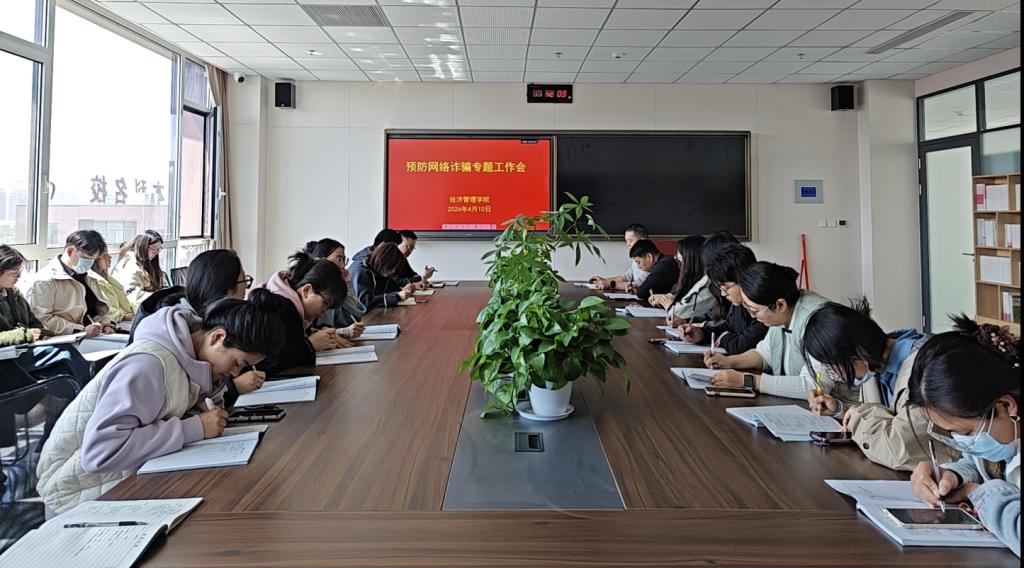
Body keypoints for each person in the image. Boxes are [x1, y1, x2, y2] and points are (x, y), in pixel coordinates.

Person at [35, 290, 285, 514]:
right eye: (238, 363)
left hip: (129, 483)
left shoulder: (191, 364)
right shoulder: (149, 365)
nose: (234, 373)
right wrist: (194, 428)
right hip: (76, 498)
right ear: (217, 337)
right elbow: (100, 453)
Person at [908, 315, 1019, 557]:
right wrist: (951, 476)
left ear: (1006, 406)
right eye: (953, 434)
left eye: (967, 433)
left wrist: (977, 493)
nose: (963, 442)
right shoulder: (1006, 437)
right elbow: (980, 464)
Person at [801, 302, 950, 471]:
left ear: (857, 354)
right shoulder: (875, 365)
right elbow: (888, 416)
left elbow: (902, 448)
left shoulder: (924, 368)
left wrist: (858, 417)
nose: (834, 373)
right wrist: (839, 409)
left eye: (833, 366)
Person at [130, 249, 264, 405]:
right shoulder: (174, 331)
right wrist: (233, 387)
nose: (246, 289)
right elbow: (177, 398)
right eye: (244, 281)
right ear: (227, 288)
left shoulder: (196, 320)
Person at [704, 261, 831, 400]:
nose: (754, 317)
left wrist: (748, 381)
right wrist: (728, 361)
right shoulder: (782, 315)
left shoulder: (817, 320)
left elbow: (814, 386)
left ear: (780, 305)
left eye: (754, 311)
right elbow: (764, 354)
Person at [0, 245, 91, 390]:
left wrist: (42, 334)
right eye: (14, 274)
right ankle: (91, 392)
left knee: (62, 366)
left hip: (22, 348)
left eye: (19, 273)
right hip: (7, 356)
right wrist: (25, 335)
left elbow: (33, 321)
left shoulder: (14, 295)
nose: (18, 277)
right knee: (64, 352)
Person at [259, 251, 348, 374]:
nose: (324, 311)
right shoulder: (281, 308)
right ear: (307, 290)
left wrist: (317, 334)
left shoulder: (295, 304)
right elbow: (269, 361)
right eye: (325, 303)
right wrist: (311, 345)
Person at [678, 244, 767, 355]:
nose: (723, 294)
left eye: (726, 288)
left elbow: (742, 346)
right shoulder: (738, 303)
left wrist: (724, 338)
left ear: (744, 278)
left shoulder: (762, 305)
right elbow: (728, 327)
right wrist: (701, 334)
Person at [24, 230, 113, 336]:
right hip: (62, 338)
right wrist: (81, 330)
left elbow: (98, 310)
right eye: (87, 258)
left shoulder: (88, 277)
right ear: (70, 251)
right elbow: (42, 320)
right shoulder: (44, 281)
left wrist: (106, 324)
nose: (89, 263)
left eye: (93, 259)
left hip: (92, 335)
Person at [304, 238, 366, 340]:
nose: (343, 265)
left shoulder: (335, 285)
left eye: (344, 260)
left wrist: (347, 285)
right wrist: (342, 332)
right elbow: (316, 329)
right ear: (321, 260)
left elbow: (356, 315)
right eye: (338, 259)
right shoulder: (319, 290)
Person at [650, 236, 716, 322]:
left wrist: (669, 305)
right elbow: (682, 298)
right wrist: (665, 298)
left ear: (691, 262)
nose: (680, 266)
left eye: (680, 261)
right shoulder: (693, 279)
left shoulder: (707, 283)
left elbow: (679, 313)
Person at [350, 242, 415, 311]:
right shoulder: (361, 271)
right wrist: (397, 296)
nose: (393, 271)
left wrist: (403, 290)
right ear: (384, 262)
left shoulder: (378, 270)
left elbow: (391, 288)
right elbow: (364, 302)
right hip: (359, 315)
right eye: (392, 267)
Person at [112, 230, 166, 309]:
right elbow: (133, 297)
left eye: (158, 249)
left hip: (148, 308)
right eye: (153, 248)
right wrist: (161, 298)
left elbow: (162, 285)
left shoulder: (148, 262)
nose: (156, 253)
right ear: (143, 246)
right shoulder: (130, 265)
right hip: (135, 310)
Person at [590, 223, 649, 292]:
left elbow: (638, 284)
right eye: (626, 241)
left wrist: (609, 284)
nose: (627, 244)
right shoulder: (636, 258)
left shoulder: (649, 259)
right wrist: (604, 280)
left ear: (642, 241)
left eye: (630, 241)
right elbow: (626, 277)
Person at [628, 239, 678, 305]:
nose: (638, 266)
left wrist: (637, 290)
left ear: (649, 257)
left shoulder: (664, 265)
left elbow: (641, 293)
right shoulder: (666, 261)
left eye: (639, 262)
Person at [91, 250, 134, 324]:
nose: (110, 257)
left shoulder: (108, 278)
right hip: (111, 322)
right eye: (105, 255)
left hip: (124, 319)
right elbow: (102, 307)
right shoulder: (91, 280)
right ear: (96, 258)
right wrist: (122, 316)